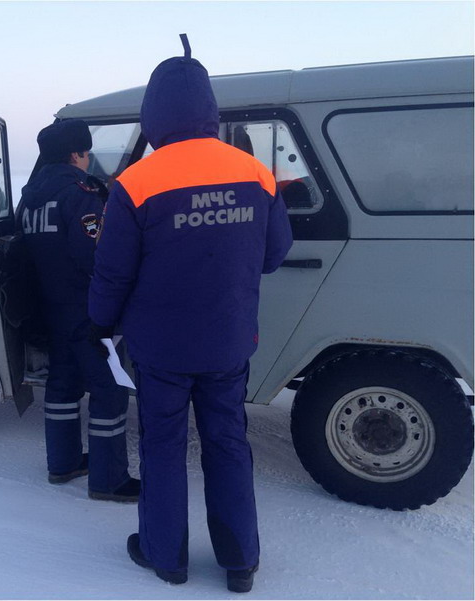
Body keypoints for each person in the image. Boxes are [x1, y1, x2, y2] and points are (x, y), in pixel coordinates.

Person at [88, 39, 293, 592]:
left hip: (160, 349)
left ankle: (166, 557)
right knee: (228, 444)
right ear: (210, 109)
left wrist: (100, 323)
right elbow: (274, 255)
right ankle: (239, 562)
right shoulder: (256, 173)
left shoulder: (135, 183)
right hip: (229, 342)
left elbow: (113, 274)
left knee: (162, 444)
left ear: (152, 115)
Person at [17, 119, 140, 502]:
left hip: (50, 306)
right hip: (87, 308)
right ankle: (108, 479)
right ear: (76, 154)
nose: (89, 160)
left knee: (62, 385)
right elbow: (95, 256)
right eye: (87, 152)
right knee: (109, 390)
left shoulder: (31, 195)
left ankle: (64, 462)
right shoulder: (81, 193)